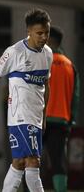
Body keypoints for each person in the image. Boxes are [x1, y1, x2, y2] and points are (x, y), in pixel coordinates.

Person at [0, 8, 52, 192]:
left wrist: (44, 116)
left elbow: (46, 85)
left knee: (19, 162)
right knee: (34, 161)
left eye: (46, 33)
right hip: (20, 115)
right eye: (39, 33)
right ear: (29, 32)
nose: (43, 37)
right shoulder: (15, 51)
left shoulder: (48, 53)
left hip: (35, 116)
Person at [44, 26, 80, 192]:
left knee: (31, 160)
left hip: (37, 120)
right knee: (58, 160)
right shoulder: (70, 66)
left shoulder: (39, 60)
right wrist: (70, 119)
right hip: (61, 120)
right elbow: (75, 96)